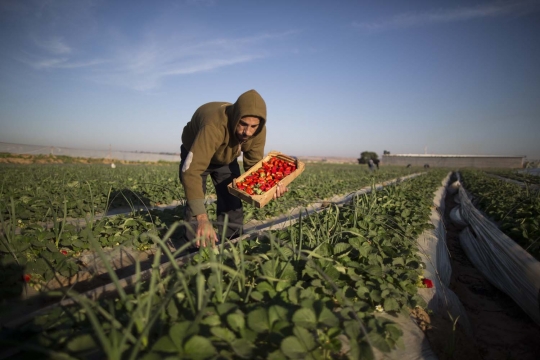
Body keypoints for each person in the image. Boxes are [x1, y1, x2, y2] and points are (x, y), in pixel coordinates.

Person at [179, 89, 288, 248]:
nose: (247, 132)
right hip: (197, 152)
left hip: (226, 157)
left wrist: (272, 185)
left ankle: (232, 245)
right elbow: (191, 171)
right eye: (243, 124)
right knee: (195, 202)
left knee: (232, 199)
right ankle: (193, 251)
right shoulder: (213, 126)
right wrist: (202, 218)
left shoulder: (258, 131)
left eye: (253, 126)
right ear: (236, 117)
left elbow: (254, 166)